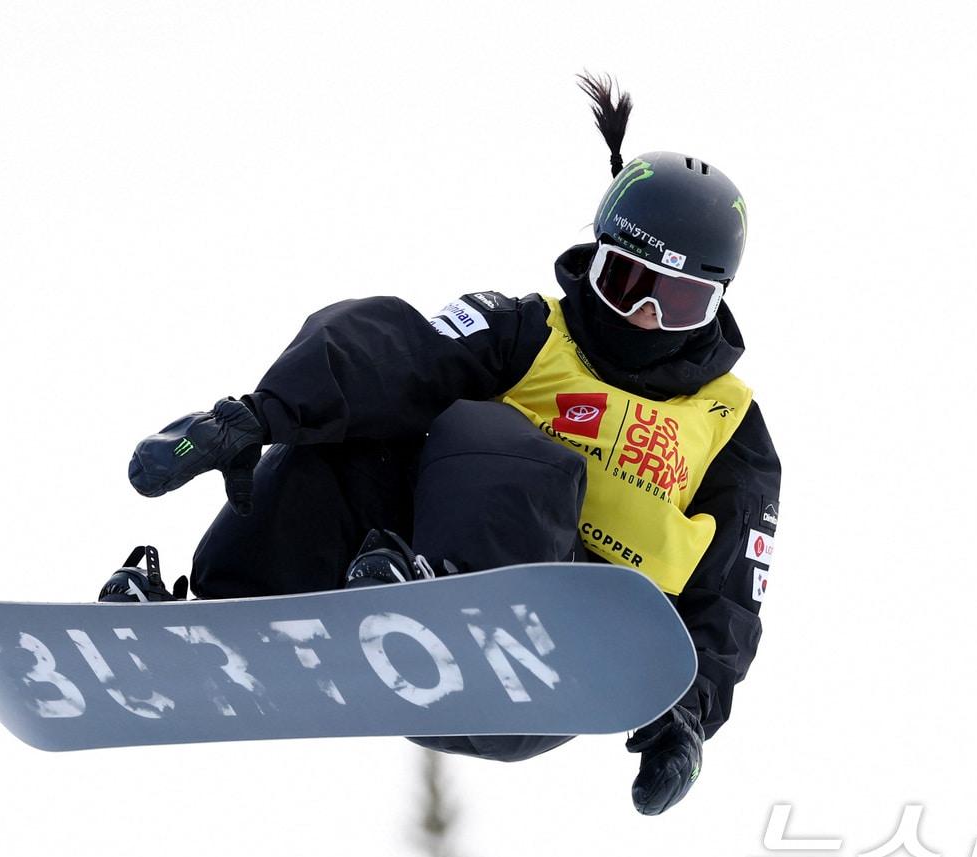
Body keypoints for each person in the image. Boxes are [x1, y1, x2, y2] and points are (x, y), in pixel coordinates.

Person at [101, 75, 781, 816]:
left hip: (558, 649)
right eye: (624, 282)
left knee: (500, 438)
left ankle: (445, 606)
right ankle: (217, 618)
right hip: (421, 578)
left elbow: (733, 592)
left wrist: (690, 711)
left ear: (716, 304)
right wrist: (258, 415)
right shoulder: (527, 332)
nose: (645, 315)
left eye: (678, 302)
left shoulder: (730, 425)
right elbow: (395, 352)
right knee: (352, 435)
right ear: (595, 261)